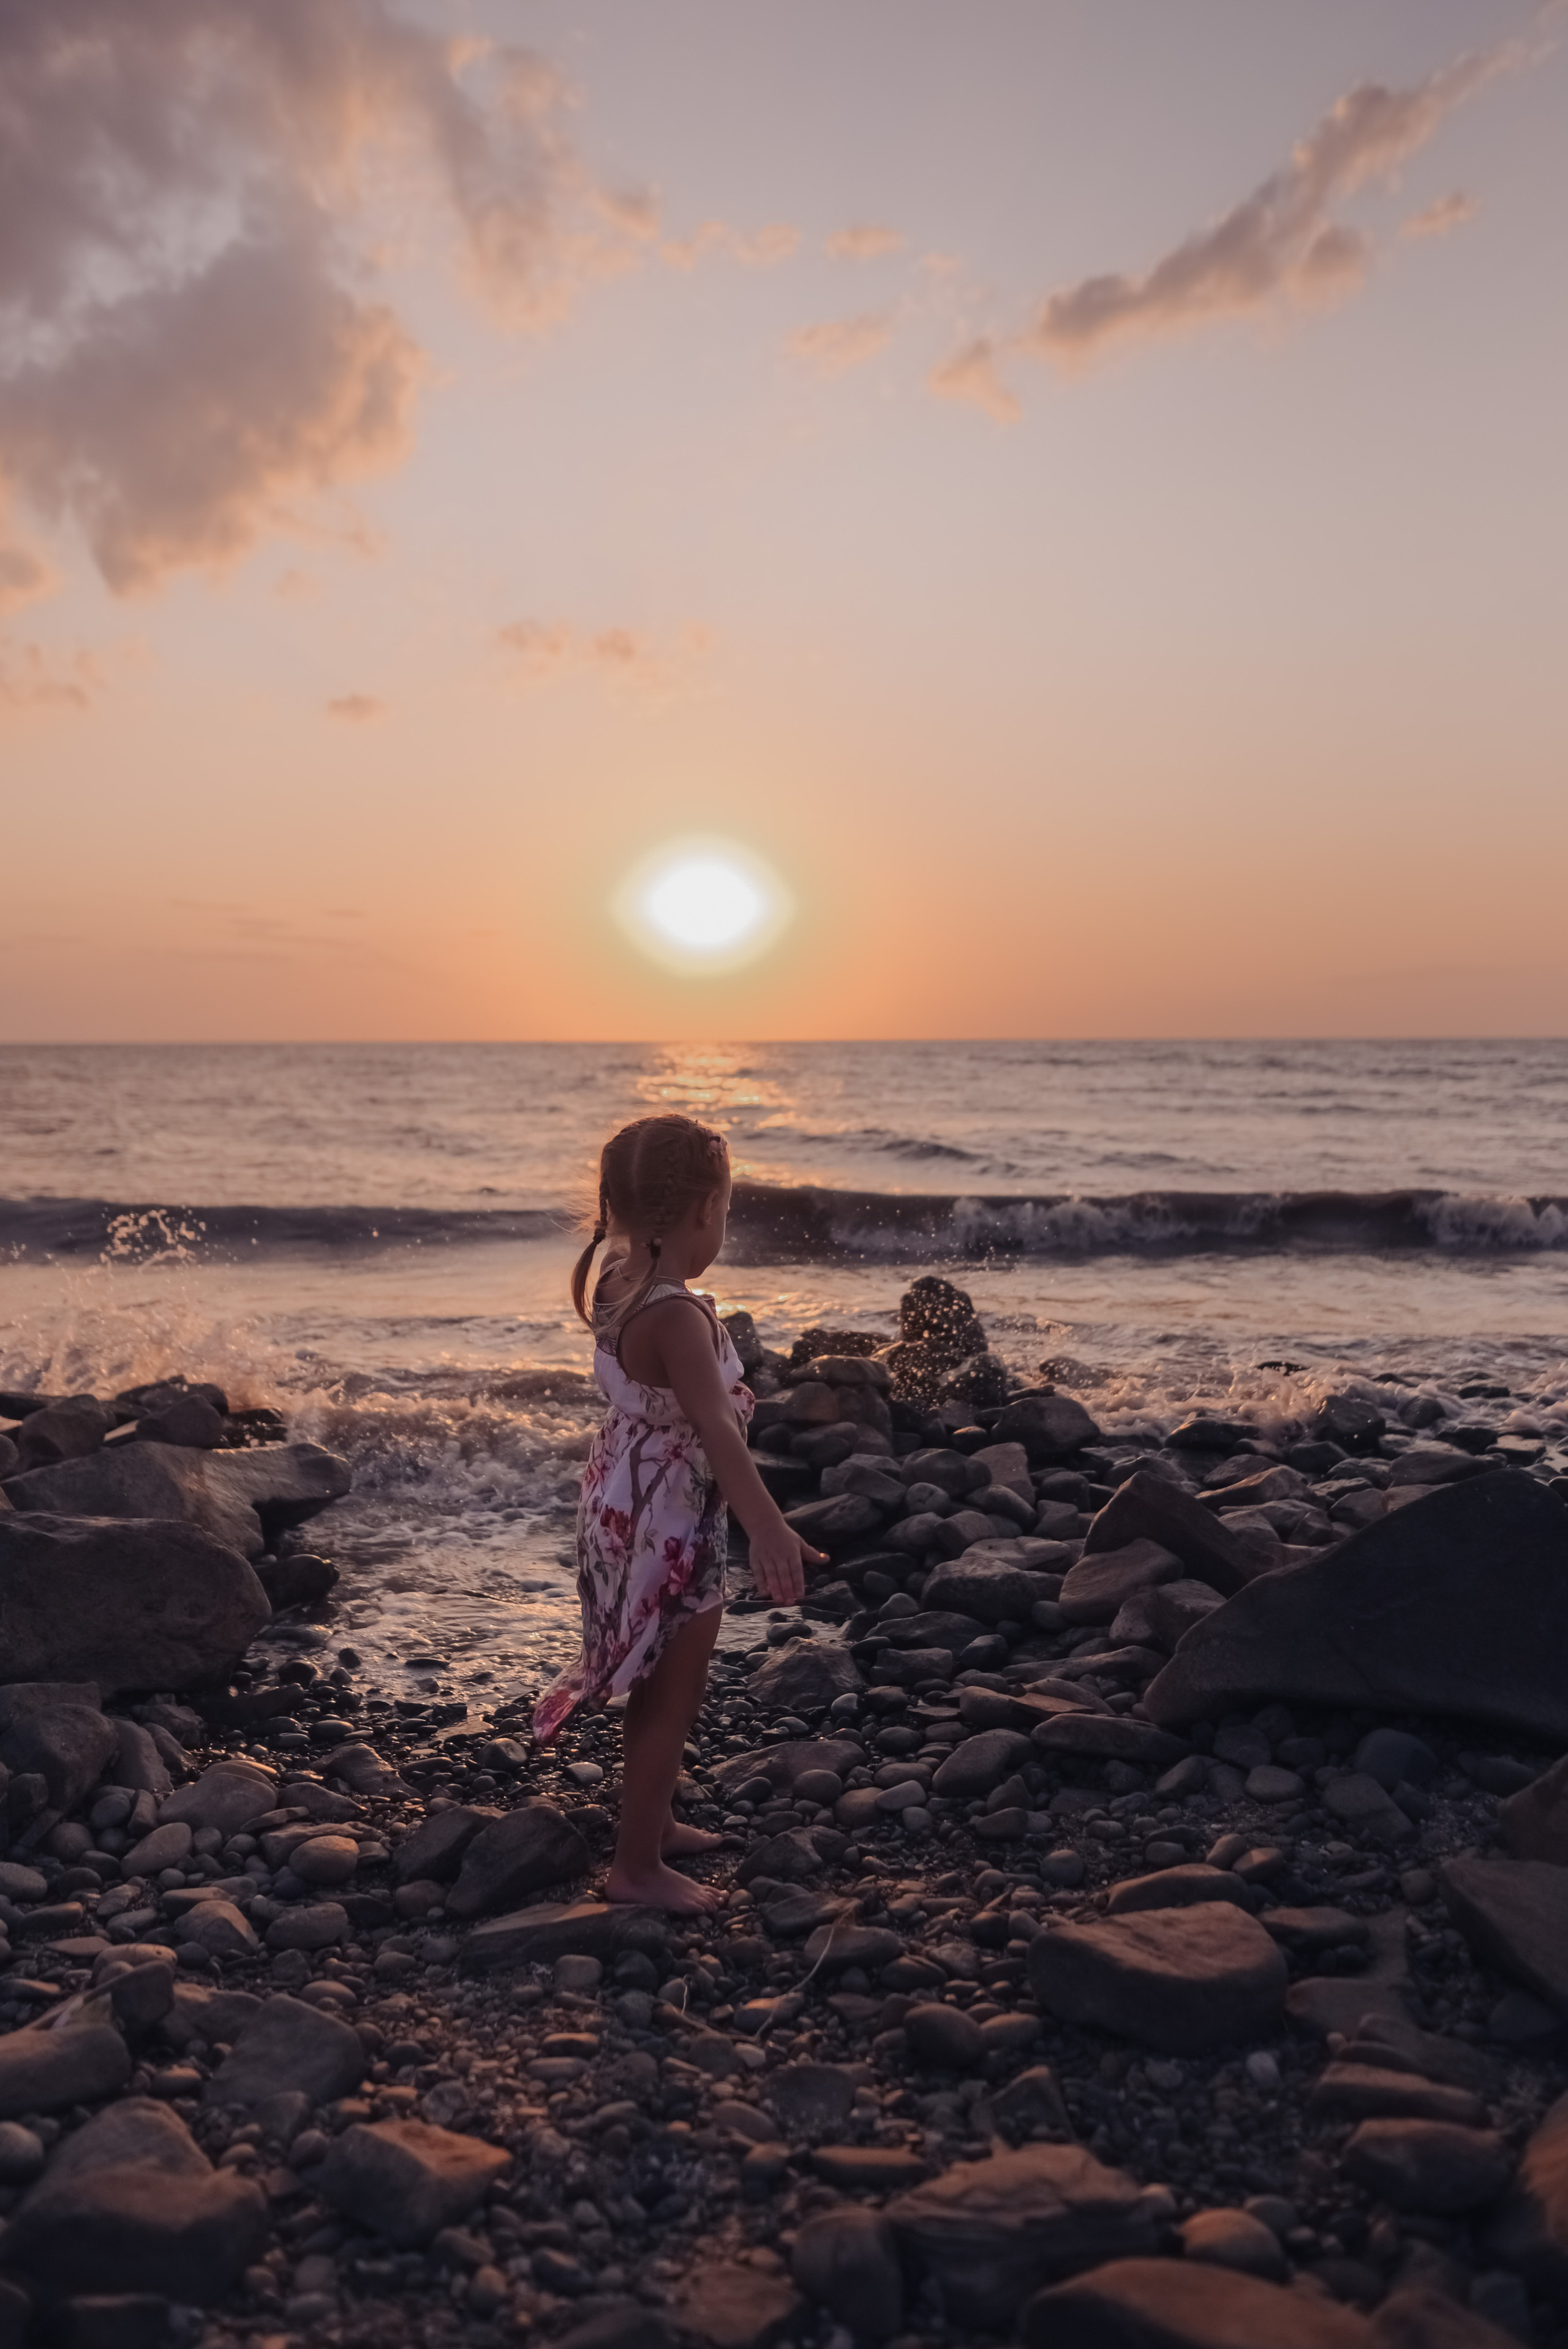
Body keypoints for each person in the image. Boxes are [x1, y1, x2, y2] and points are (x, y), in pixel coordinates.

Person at [533, 1111, 826, 1913]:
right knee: (672, 1691)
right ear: (702, 1211)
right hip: (670, 1519)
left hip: (620, 1501)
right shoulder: (682, 1317)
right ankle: (635, 1867)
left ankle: (653, 1823)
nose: (724, 1224)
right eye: (725, 1210)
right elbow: (718, 1432)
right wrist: (767, 1523)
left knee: (656, 1677)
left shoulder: (617, 1279)